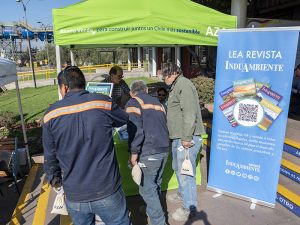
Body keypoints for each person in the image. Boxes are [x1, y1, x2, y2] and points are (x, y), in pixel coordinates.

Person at [43, 66, 130, 225]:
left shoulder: (51, 115)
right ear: (83, 84)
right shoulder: (102, 102)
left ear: (64, 87)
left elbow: (49, 156)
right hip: (107, 188)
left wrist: (55, 179)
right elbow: (124, 119)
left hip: (75, 193)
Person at [162, 63, 205, 222]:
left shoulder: (184, 85)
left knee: (185, 174)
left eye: (164, 76)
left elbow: (189, 113)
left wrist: (186, 137)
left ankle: (189, 207)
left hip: (186, 138)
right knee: (178, 168)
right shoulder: (177, 85)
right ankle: (183, 194)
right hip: (179, 137)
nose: (162, 79)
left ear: (172, 73)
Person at [125, 80, 169, 225]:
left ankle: (159, 221)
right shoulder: (158, 103)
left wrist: (133, 154)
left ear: (132, 92)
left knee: (147, 190)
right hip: (163, 150)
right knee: (155, 184)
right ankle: (152, 210)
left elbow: (135, 130)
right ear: (146, 90)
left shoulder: (133, 102)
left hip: (148, 152)